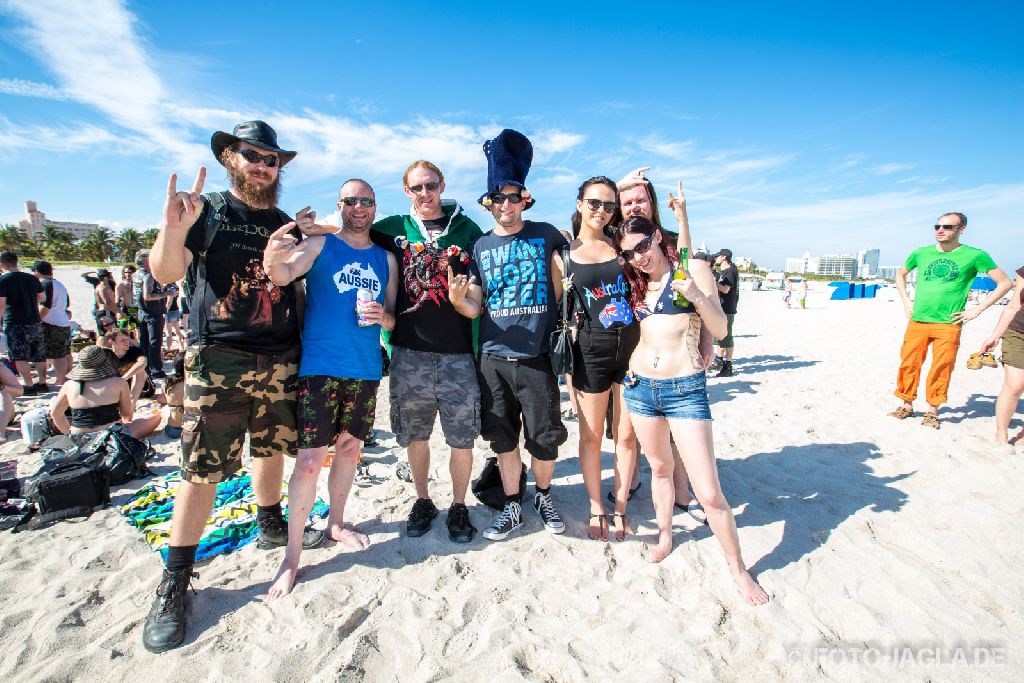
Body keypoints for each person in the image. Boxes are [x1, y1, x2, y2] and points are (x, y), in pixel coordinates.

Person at [142, 120, 322, 653]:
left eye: (272, 159)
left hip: (281, 355)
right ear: (230, 158)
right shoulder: (209, 211)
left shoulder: (288, 222)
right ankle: (176, 578)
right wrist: (173, 229)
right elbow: (168, 272)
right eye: (253, 155)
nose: (263, 166)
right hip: (217, 356)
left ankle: (269, 522)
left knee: (273, 449)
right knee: (202, 469)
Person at [612, 215, 769, 605]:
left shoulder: (688, 274)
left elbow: (720, 330)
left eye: (643, 246)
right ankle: (666, 535)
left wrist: (697, 297)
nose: (638, 257)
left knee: (710, 492)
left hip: (685, 391)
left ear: (656, 238)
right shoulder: (637, 286)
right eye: (629, 253)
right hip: (640, 389)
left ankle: (738, 569)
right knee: (660, 469)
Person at [263, 178, 398, 597]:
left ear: (375, 207)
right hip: (319, 367)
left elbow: (393, 318)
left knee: (350, 450)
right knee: (307, 463)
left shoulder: (386, 259)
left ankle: (336, 523)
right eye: (352, 200)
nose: (359, 207)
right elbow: (282, 274)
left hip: (365, 368)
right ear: (340, 205)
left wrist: (383, 319)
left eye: (367, 201)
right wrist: (276, 249)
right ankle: (292, 556)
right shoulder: (321, 245)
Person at [456, 129, 568, 541]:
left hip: (537, 357)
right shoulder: (480, 247)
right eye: (498, 198)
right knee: (503, 438)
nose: (506, 204)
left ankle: (543, 494)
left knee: (543, 439)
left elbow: (584, 252)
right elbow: (475, 306)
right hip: (492, 358)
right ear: (488, 203)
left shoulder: (547, 233)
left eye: (514, 196)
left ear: (526, 199)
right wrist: (457, 302)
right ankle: (512, 505)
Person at [369, 161, 483, 543]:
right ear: (406, 192)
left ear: (442, 185)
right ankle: (422, 499)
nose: (425, 194)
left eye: (431, 185)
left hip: (458, 355)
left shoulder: (468, 232)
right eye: (416, 188)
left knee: (461, 439)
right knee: (415, 436)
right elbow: (349, 234)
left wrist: (460, 301)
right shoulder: (391, 230)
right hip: (408, 354)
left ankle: (459, 505)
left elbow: (479, 297)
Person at [614, 171, 708, 523]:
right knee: (627, 431)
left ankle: (682, 492)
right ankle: (630, 486)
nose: (634, 205)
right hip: (629, 347)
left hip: (674, 350)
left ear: (652, 202)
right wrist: (621, 180)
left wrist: (707, 339)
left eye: (640, 199)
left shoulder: (664, 243)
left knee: (676, 429)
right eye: (627, 201)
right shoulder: (617, 241)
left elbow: (691, 279)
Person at [560, 176, 639, 542]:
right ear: (579, 204)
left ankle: (620, 505)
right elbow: (558, 316)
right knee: (591, 436)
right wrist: (567, 379)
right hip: (590, 350)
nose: (601, 212)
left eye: (609, 206)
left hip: (632, 349)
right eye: (594, 203)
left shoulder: (624, 247)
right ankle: (596, 505)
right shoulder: (563, 255)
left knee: (625, 438)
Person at [890, 212, 1010, 429]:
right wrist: (906, 301)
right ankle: (906, 405)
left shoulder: (975, 255)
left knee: (941, 367)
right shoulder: (921, 253)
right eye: (937, 226)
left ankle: (932, 411)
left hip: (948, 323)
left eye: (948, 226)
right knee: (909, 363)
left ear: (961, 229)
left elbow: (1004, 283)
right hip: (918, 320)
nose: (940, 230)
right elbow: (900, 274)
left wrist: (978, 309)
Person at [48, 345, 161, 440]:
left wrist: (69, 434)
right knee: (155, 418)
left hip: (81, 437)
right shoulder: (118, 382)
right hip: (112, 436)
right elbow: (127, 415)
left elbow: (55, 413)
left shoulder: (69, 385)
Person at [980, 265, 1024, 447]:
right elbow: (1014, 305)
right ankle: (1002, 434)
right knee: (1015, 385)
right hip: (1019, 333)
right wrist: (994, 336)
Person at [0, 250, 47, 394]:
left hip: (14, 322)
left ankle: (29, 385)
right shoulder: (32, 278)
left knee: (20, 356)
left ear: (1, 264)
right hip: (34, 321)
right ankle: (43, 383)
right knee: (38, 354)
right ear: (16, 261)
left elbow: (1, 304)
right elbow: (42, 298)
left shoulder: (3, 280)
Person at [134, 250, 175, 379]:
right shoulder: (148, 276)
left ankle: (145, 367)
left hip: (142, 311)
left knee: (144, 342)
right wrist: (167, 294)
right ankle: (156, 369)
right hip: (153, 313)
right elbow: (148, 296)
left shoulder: (136, 274)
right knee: (155, 342)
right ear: (146, 261)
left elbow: (134, 295)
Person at [31, 260, 72, 386]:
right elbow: (67, 304)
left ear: (37, 272)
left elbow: (46, 306)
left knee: (56, 355)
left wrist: (38, 320)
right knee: (64, 353)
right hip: (63, 321)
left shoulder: (45, 284)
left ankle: (60, 380)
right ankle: (65, 377)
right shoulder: (59, 284)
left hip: (51, 323)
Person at [98, 328, 149, 408]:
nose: (127, 342)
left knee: (140, 370)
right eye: (122, 340)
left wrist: (124, 378)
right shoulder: (107, 354)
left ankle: (131, 404)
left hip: (140, 389)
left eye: (127, 339)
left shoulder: (134, 351)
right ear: (112, 342)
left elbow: (143, 362)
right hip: (118, 390)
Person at [710, 248, 739, 377]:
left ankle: (728, 366)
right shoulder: (723, 272)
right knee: (721, 336)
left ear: (723, 257)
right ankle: (720, 360)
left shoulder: (730, 271)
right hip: (722, 307)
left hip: (727, 308)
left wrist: (712, 283)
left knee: (727, 337)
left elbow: (726, 289)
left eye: (718, 256)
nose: (716, 259)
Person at [0, 361, 24, 443]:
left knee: (5, 393)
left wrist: (3, 387)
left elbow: (20, 392)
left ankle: (0, 432)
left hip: (4, 413)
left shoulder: (1, 368)